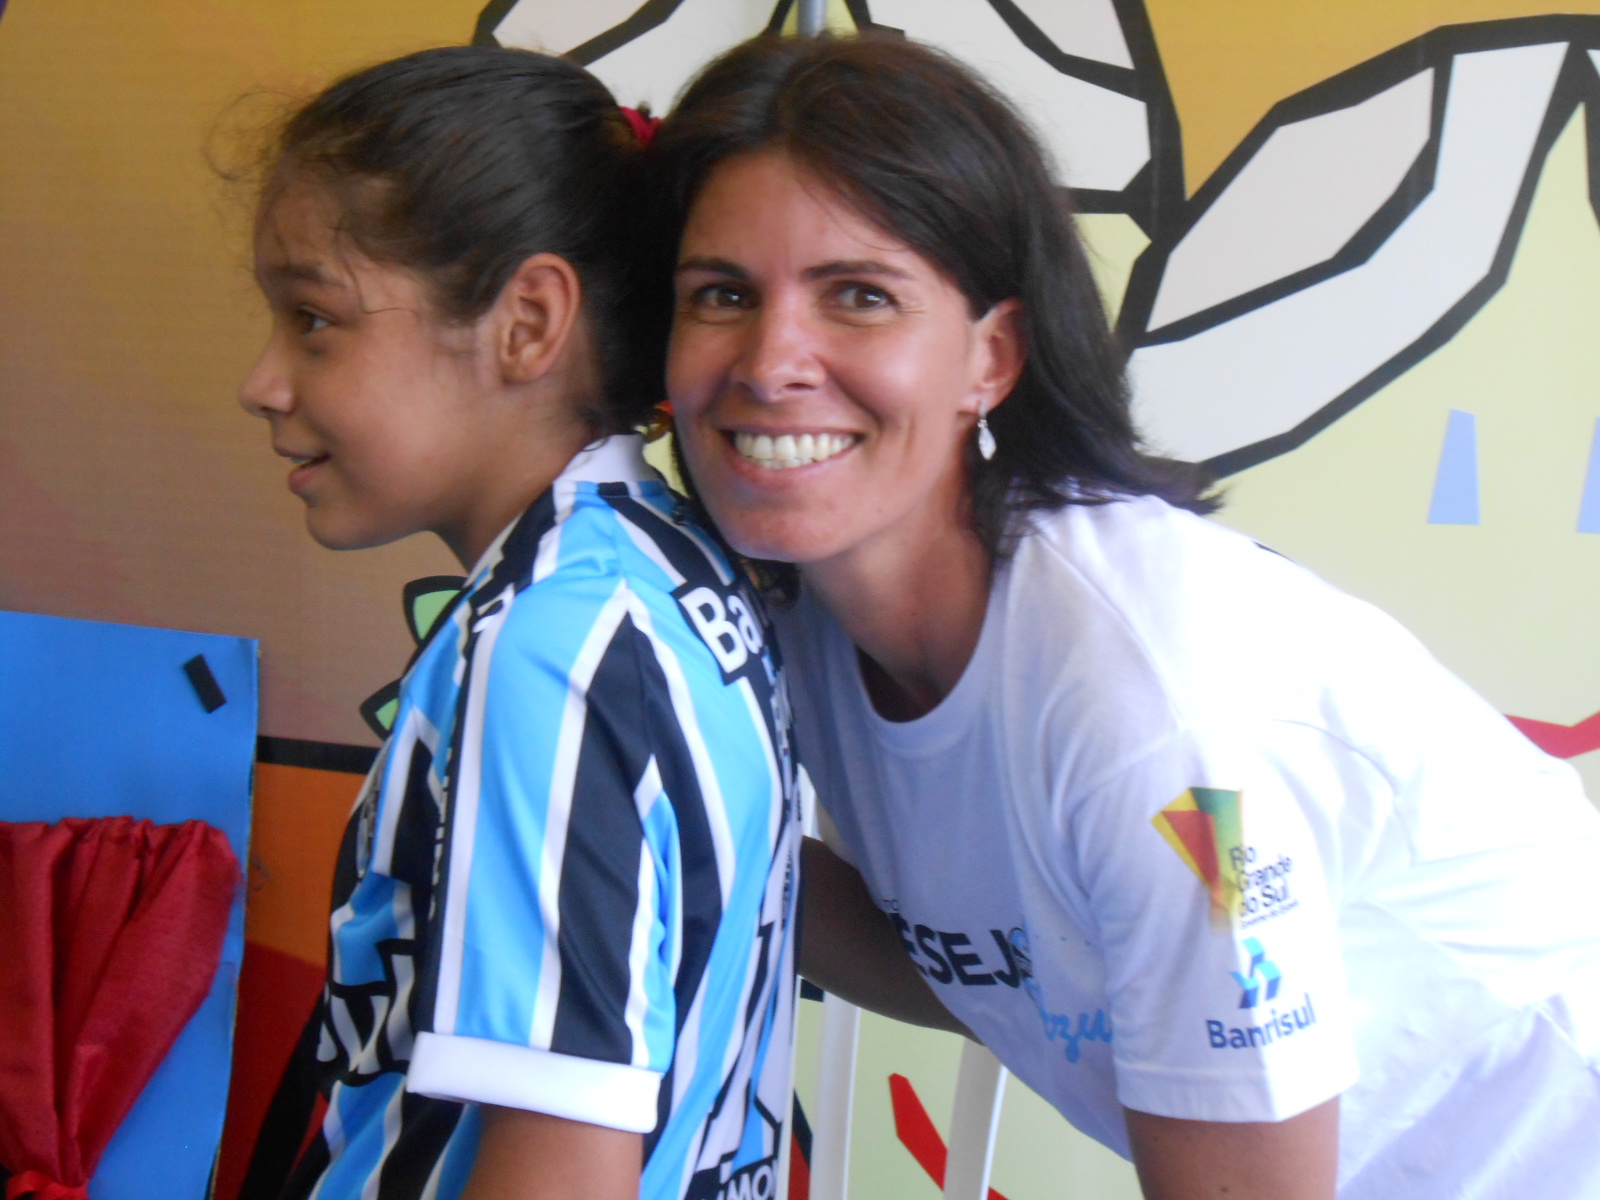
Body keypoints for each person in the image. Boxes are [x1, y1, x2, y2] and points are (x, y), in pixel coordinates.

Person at [655, 32, 1600, 1200]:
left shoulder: (1158, 725)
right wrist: (661, 845)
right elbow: (1009, 971)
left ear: (989, 358)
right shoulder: (789, 618)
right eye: (720, 295)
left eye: (859, 296)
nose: (770, 359)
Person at [235, 46, 800, 1200]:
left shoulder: (556, 652)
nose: (263, 381)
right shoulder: (664, 569)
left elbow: (559, 1168)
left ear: (528, 322)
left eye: (313, 319)